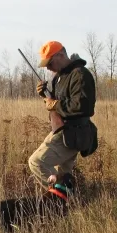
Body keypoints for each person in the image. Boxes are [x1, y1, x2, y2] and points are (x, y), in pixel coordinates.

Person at [28, 41, 97, 200]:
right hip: (63, 131)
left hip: (75, 132)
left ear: (60, 55)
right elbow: (58, 102)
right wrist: (45, 95)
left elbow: (83, 107)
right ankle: (70, 202)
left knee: (36, 162)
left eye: (50, 63)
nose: (48, 68)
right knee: (64, 172)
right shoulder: (59, 77)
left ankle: (60, 199)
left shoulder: (80, 74)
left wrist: (55, 104)